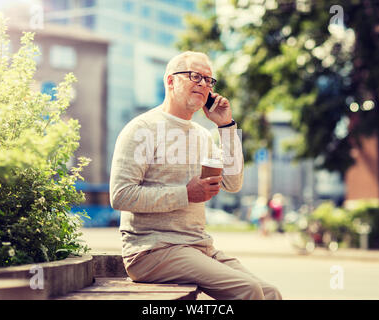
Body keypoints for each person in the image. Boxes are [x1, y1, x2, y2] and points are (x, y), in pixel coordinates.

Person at [109, 51, 282, 300]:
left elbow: (232, 183)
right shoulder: (141, 129)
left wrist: (225, 127)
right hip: (152, 251)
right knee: (249, 291)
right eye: (195, 76)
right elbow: (120, 196)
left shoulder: (202, 135)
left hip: (198, 247)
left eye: (209, 80)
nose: (203, 84)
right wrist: (185, 194)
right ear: (170, 81)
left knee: (270, 293)